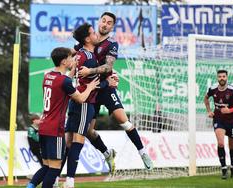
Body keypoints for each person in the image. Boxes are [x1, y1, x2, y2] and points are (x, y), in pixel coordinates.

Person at [78, 12, 153, 172]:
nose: (105, 24)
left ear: (112, 27)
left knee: (123, 121)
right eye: (103, 21)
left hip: (106, 87)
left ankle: (142, 152)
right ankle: (107, 154)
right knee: (89, 131)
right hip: (90, 90)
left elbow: (108, 67)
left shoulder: (112, 44)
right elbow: (73, 53)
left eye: (109, 23)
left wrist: (90, 70)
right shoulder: (88, 39)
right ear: (99, 22)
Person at [27, 47, 99, 188]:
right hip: (55, 129)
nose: (73, 59)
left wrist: (72, 71)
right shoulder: (64, 81)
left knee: (47, 166)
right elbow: (81, 98)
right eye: (71, 58)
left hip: (44, 127)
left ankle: (29, 186)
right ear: (64, 61)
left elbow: (64, 82)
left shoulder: (48, 76)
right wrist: (90, 87)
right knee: (54, 169)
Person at [62, 23, 117, 188]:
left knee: (71, 141)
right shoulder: (88, 57)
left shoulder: (81, 54)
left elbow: (70, 74)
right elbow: (94, 82)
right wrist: (108, 82)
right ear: (87, 38)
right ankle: (69, 180)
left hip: (77, 100)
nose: (96, 35)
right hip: (84, 102)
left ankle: (62, 178)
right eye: (93, 33)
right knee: (76, 141)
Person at [204, 69, 233, 179]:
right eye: (219, 76)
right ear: (217, 78)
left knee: (232, 145)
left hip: (231, 121)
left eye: (223, 76)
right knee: (221, 143)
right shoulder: (212, 89)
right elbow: (206, 98)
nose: (221, 78)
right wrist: (209, 111)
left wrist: (230, 110)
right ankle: (223, 169)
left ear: (227, 77)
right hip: (218, 120)